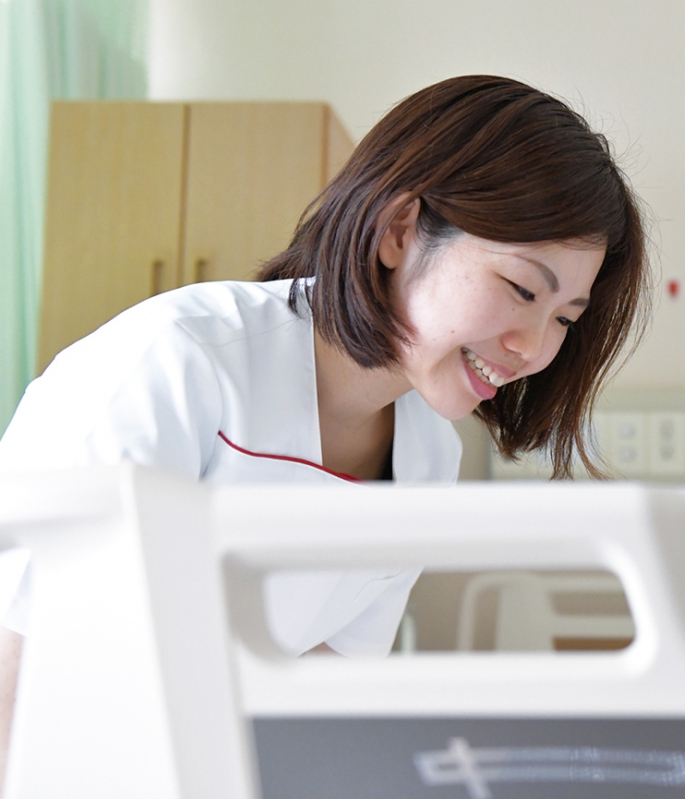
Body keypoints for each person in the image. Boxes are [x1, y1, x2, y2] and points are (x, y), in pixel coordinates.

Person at [0, 74, 649, 677]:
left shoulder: (427, 458)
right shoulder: (178, 362)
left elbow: (326, 684)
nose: (532, 348)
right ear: (399, 231)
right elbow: (20, 644)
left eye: (565, 318)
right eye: (521, 289)